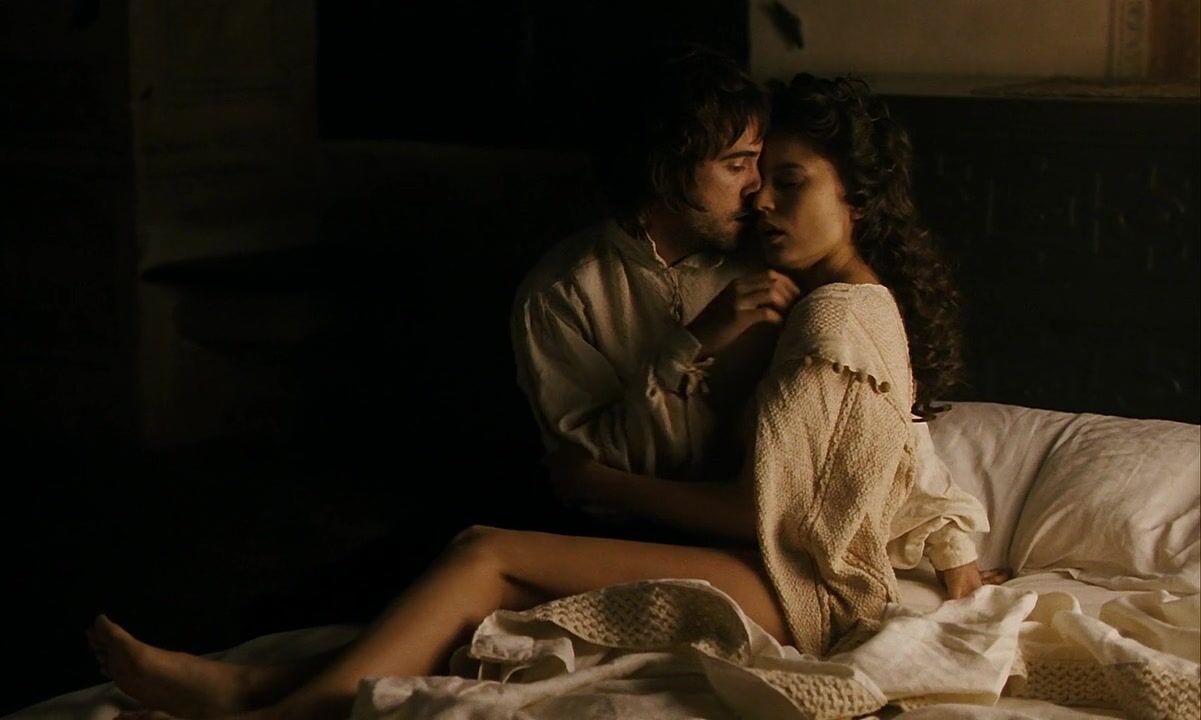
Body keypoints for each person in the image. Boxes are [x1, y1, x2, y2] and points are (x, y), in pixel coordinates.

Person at [86, 72, 1004, 720]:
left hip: (777, 571)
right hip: (706, 536)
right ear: (668, 168)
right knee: (481, 595)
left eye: (780, 178)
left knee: (482, 558)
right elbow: (862, 443)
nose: (759, 195)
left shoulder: (819, 306)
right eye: (744, 169)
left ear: (856, 200)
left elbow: (831, 468)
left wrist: (951, 539)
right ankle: (251, 685)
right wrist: (682, 358)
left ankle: (285, 713)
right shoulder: (582, 289)